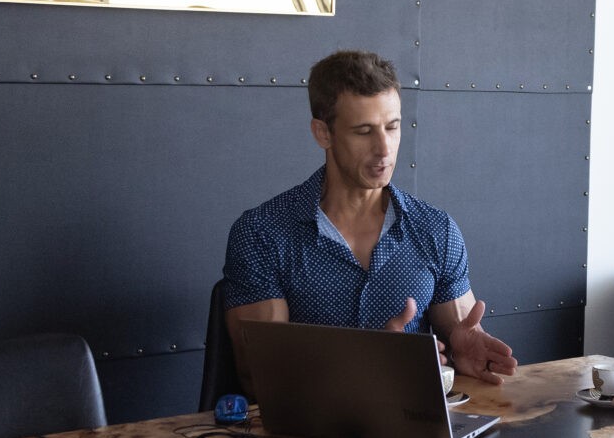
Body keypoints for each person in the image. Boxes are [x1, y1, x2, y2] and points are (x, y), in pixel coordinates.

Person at [222, 49, 517, 396]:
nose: (384, 149)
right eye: (363, 132)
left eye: (392, 127)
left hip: (416, 431)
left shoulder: (435, 229)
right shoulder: (262, 233)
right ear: (323, 133)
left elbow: (462, 336)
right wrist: (369, 363)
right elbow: (260, 373)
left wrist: (458, 353)